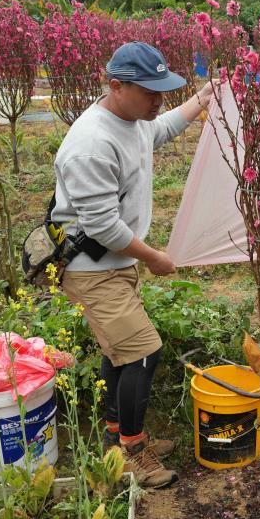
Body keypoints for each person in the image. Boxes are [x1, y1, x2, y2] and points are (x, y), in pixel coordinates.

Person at [53, 41, 213, 489]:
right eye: (149, 91)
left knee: (119, 352)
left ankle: (114, 435)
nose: (158, 100)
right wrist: (155, 258)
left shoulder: (134, 117)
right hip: (91, 266)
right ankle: (134, 452)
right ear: (116, 85)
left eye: (163, 90)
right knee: (143, 352)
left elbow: (158, 129)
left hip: (115, 263)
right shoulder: (89, 144)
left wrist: (200, 101)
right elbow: (103, 226)